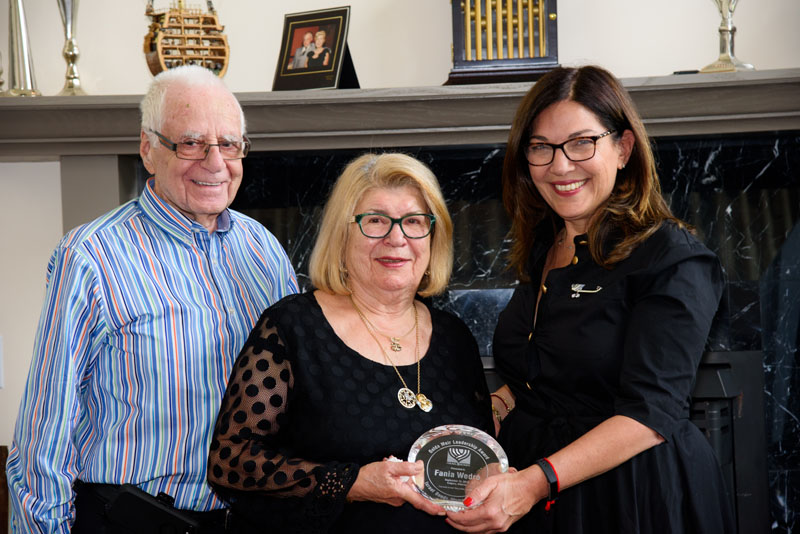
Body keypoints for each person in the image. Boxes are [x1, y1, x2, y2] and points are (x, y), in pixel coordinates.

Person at [5, 65, 299, 534]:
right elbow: (46, 431)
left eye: (229, 143)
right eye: (190, 143)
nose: (215, 161)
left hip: (251, 519)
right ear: (148, 149)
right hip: (134, 519)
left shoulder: (263, 249)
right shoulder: (90, 256)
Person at [446, 65, 735, 533]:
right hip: (539, 485)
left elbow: (649, 412)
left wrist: (534, 484)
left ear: (622, 149)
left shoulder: (673, 258)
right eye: (542, 148)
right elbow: (548, 376)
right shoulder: (545, 248)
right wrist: (495, 410)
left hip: (633, 495)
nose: (561, 166)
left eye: (582, 143)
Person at [207, 153, 494, 533]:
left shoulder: (455, 337)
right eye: (375, 221)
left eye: (413, 222)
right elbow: (231, 461)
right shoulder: (293, 327)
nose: (397, 238)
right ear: (343, 236)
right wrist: (353, 484)